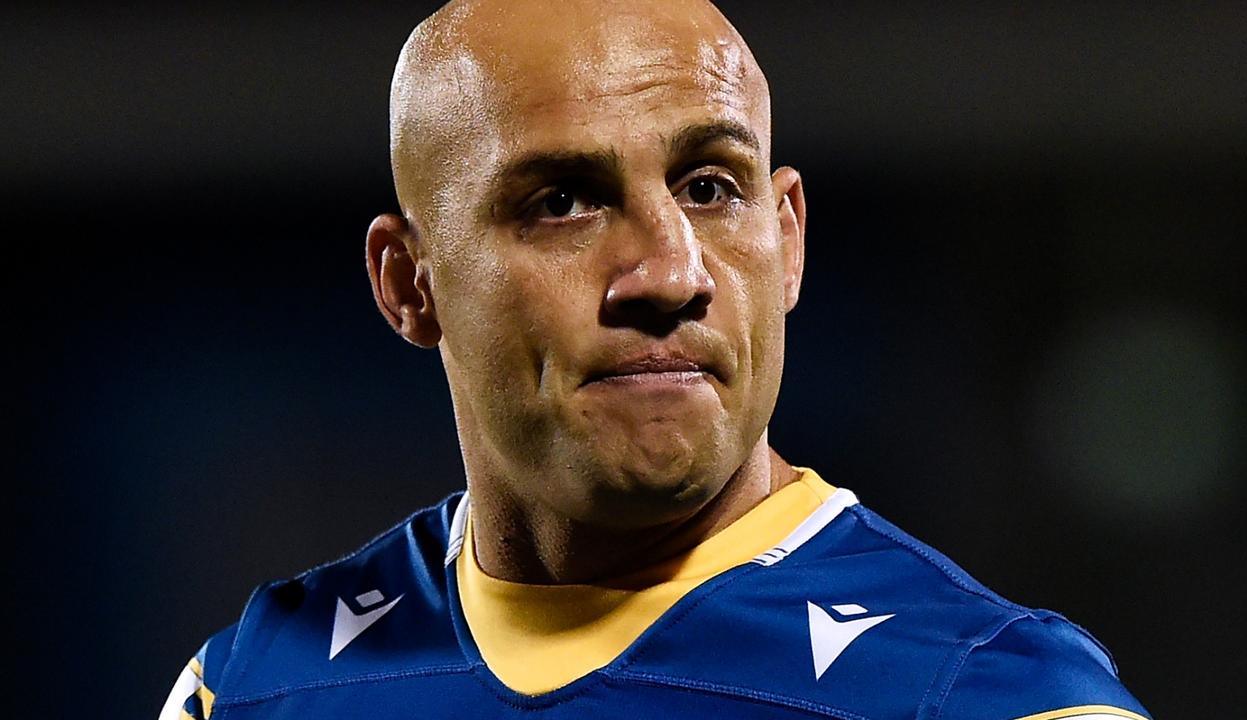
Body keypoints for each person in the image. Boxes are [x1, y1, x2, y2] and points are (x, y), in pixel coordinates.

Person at [160, 1, 1151, 718]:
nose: (670, 272)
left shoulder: (985, 695)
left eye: (712, 187)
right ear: (408, 283)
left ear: (789, 237)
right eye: (561, 202)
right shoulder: (252, 687)